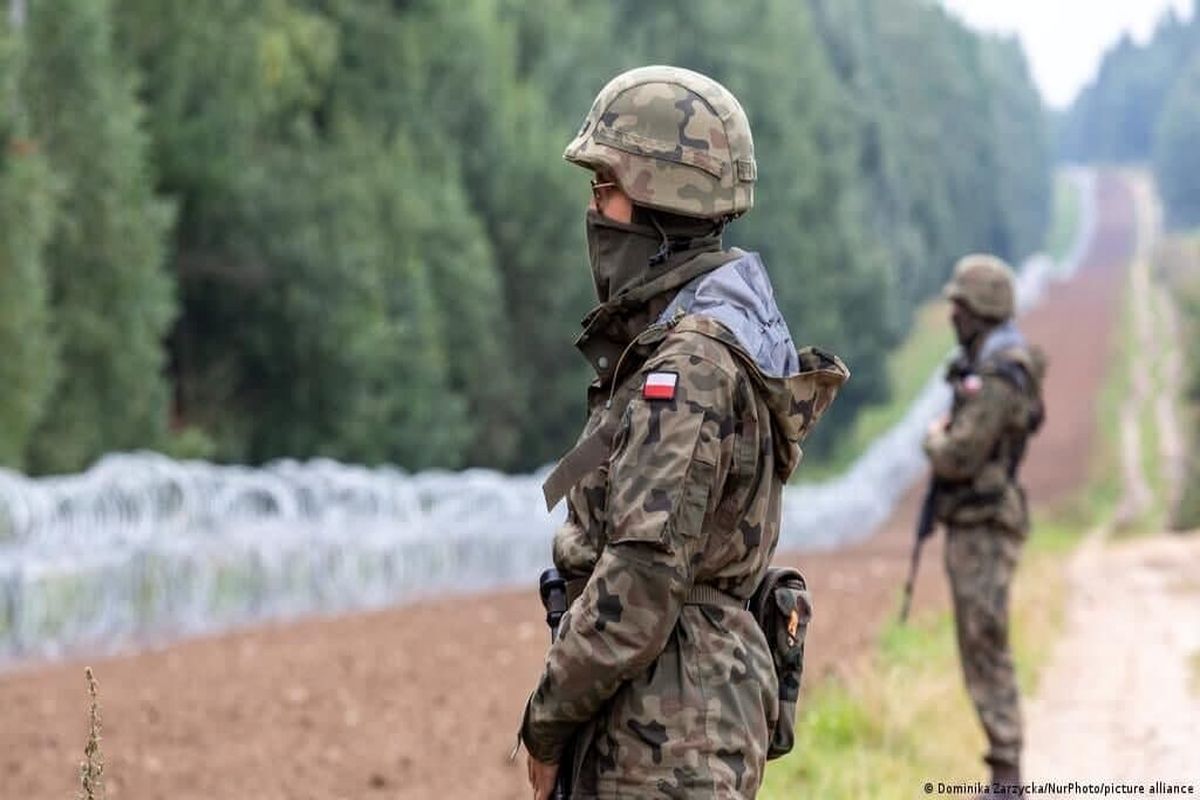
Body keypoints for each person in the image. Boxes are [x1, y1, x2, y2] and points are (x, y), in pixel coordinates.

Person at [518, 65, 849, 799]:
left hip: (665, 741)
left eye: (605, 187)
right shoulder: (699, 341)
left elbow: (641, 580)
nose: (595, 210)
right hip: (673, 724)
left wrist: (545, 720)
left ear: (660, 196)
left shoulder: (689, 365)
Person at [923, 254, 1045, 797]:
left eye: (960, 305)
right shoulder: (989, 364)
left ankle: (1007, 775)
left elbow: (958, 456)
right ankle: (1004, 771)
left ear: (982, 308)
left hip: (986, 524)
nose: (953, 316)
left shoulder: (995, 375)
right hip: (978, 522)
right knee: (980, 641)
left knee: (985, 641)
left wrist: (934, 437)